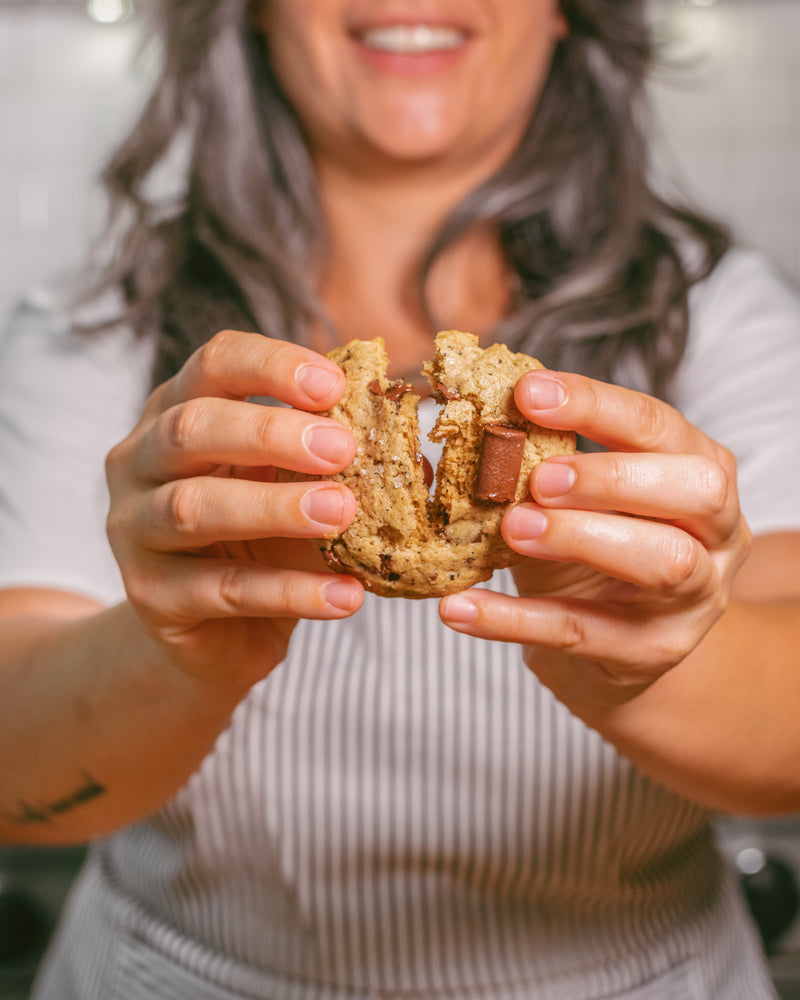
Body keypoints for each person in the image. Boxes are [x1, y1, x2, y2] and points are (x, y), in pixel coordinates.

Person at [1, 0, 799, 996]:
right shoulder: (98, 328)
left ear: (566, 15)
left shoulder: (716, 314)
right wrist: (166, 658)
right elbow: (13, 777)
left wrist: (653, 662)